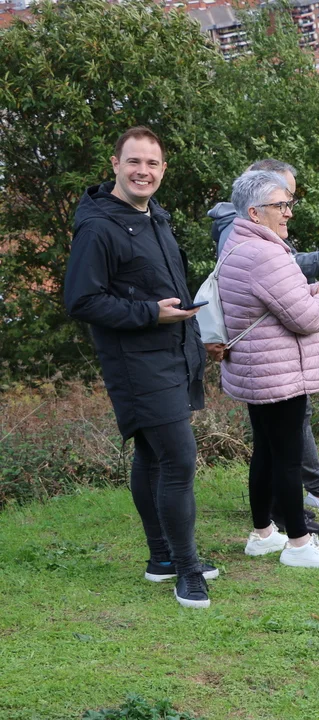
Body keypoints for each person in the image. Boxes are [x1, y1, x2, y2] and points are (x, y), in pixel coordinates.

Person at [64, 127, 215, 609]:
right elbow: (82, 300)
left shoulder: (155, 216)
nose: (142, 171)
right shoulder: (98, 227)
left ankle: (162, 557)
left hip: (173, 353)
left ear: (163, 169)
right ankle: (187, 570)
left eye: (152, 163)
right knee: (179, 460)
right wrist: (151, 313)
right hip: (137, 364)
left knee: (152, 456)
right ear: (115, 164)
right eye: (134, 161)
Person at [218, 170, 319, 568]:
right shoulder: (266, 253)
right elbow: (305, 318)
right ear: (254, 212)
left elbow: (278, 299)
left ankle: (263, 534)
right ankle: (299, 545)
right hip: (278, 371)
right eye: (280, 205)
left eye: (289, 204)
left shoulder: (238, 243)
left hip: (257, 368)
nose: (288, 213)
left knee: (265, 453)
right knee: (286, 457)